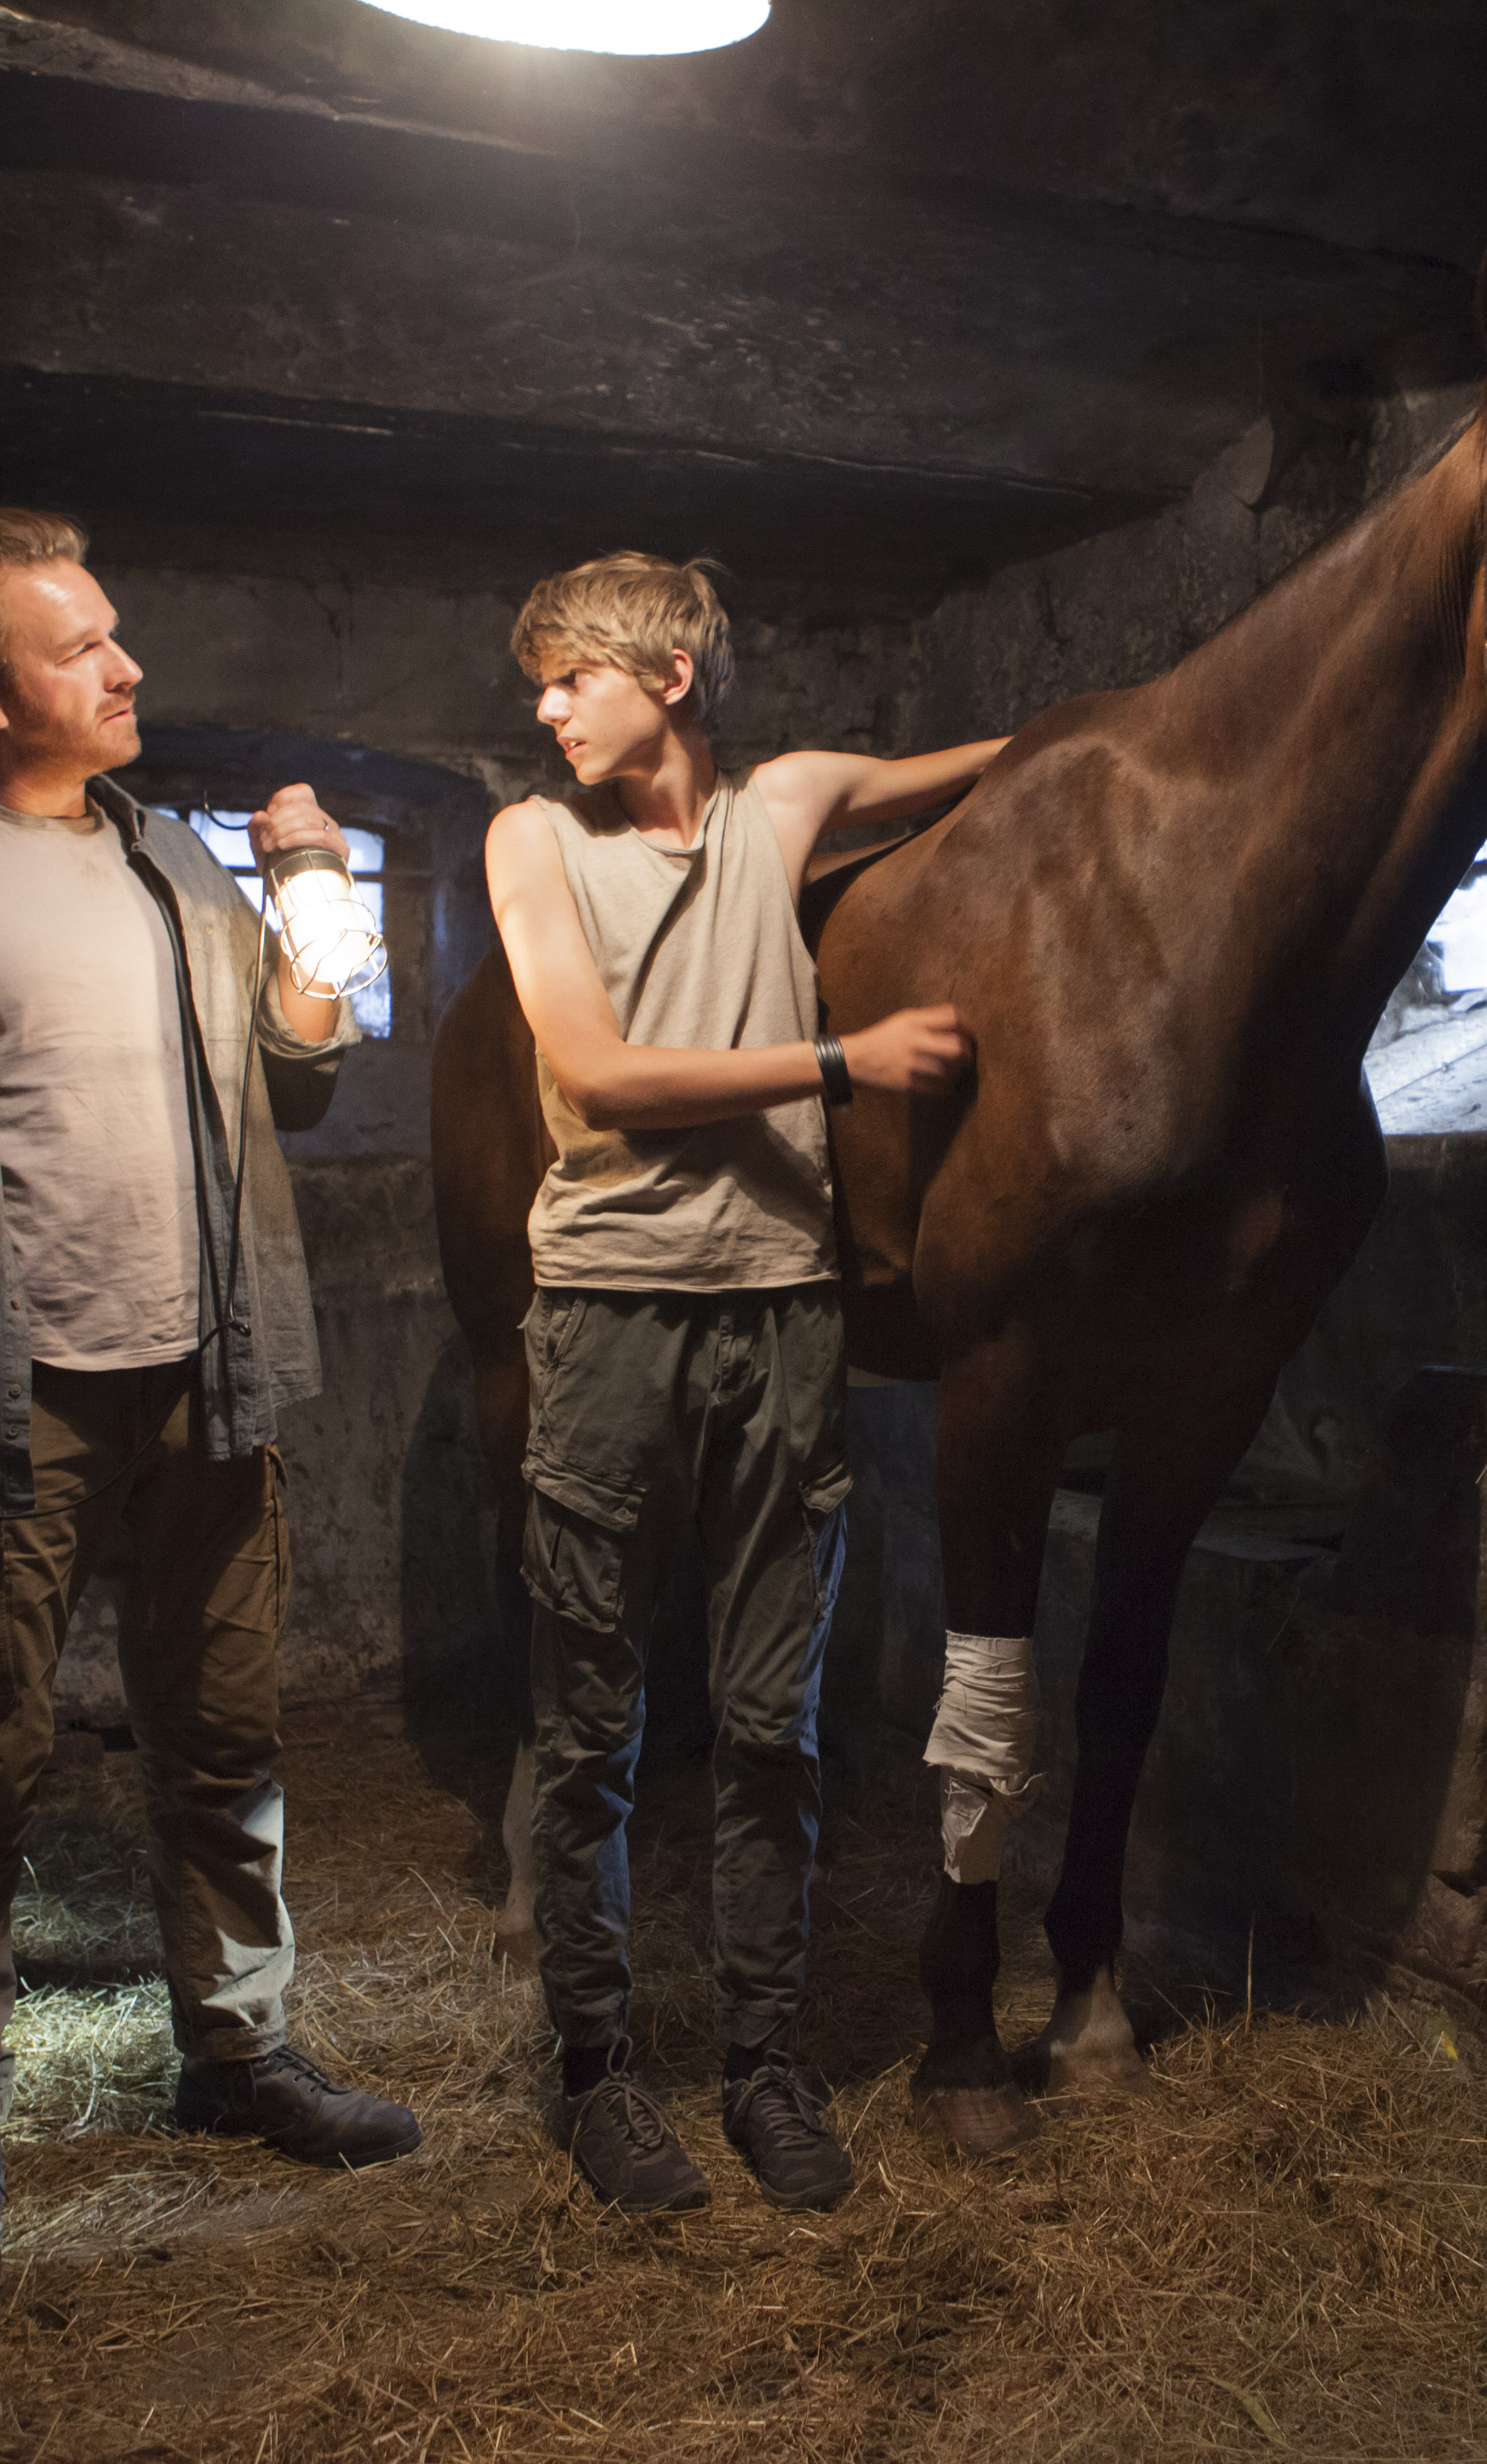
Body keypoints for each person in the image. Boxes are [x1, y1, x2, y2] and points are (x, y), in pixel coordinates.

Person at [0, 506, 419, 2342]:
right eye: (83, 647)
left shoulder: (173, 869)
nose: (128, 669)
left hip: (210, 1370)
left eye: (118, 632)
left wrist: (308, 919)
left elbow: (302, 1061)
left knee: (227, 1734)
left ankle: (243, 2045)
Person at [488, 551, 1001, 2213]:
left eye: (572, 673)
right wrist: (845, 1061)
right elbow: (602, 1072)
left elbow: (1025, 759)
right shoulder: (533, 841)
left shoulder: (784, 808)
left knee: (774, 1728)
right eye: (542, 682)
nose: (547, 706)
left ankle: (764, 2067)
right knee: (592, 1726)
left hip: (786, 1319)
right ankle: (593, 2070)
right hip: (612, 1316)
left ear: (675, 674)